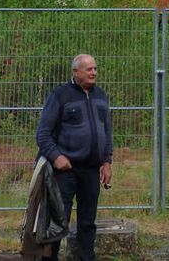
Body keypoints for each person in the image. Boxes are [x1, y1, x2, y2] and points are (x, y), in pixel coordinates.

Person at [36, 54, 113, 261]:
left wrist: (107, 161)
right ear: (75, 72)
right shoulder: (60, 95)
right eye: (89, 69)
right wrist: (56, 157)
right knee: (59, 220)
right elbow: (42, 134)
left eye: (95, 69)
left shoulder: (101, 96)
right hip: (65, 171)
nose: (94, 72)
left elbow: (107, 131)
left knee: (88, 222)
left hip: (91, 170)